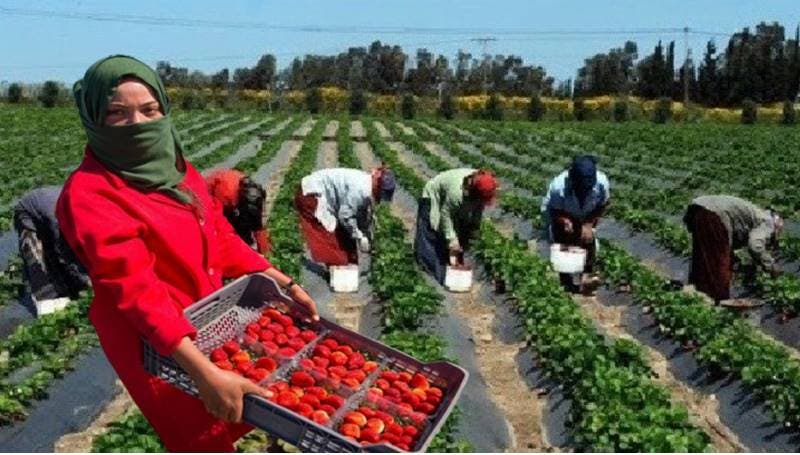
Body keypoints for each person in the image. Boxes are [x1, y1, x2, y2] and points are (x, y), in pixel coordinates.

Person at [56, 55, 318, 452]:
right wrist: (202, 371)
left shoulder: (177, 170)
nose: (138, 124)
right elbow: (136, 291)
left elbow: (220, 235)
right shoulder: (90, 194)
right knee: (200, 438)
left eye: (149, 110)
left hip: (209, 319)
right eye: (117, 113)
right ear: (93, 117)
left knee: (235, 415)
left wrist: (282, 281)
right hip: (158, 347)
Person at [683, 194, 783, 302]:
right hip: (714, 215)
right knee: (719, 265)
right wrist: (771, 266)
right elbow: (755, 246)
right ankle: (719, 302)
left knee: (702, 259)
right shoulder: (768, 223)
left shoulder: (755, 214)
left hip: (697, 209)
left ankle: (696, 296)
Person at [294, 166, 396, 267]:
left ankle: (345, 265)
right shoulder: (361, 190)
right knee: (330, 240)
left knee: (345, 238)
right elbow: (345, 216)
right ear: (377, 183)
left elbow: (359, 213)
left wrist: (364, 232)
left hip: (322, 194)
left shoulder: (367, 186)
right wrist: (360, 237)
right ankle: (338, 270)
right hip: (311, 195)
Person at [13, 186, 89, 314]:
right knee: (37, 257)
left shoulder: (82, 209)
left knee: (68, 252)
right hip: (27, 213)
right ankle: (46, 300)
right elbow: (64, 251)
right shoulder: (57, 217)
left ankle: (70, 286)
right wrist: (85, 279)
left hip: (47, 205)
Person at [414, 168, 498, 284]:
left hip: (450, 199)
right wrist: (452, 239)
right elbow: (446, 215)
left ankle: (451, 266)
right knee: (432, 232)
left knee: (458, 231)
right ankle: (429, 273)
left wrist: (474, 229)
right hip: (433, 196)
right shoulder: (457, 192)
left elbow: (477, 211)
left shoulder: (479, 186)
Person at [541, 155, 611, 293]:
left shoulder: (602, 183)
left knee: (588, 238)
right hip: (560, 212)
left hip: (586, 213)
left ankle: (587, 275)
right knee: (563, 238)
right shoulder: (558, 187)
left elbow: (605, 205)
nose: (584, 190)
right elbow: (554, 211)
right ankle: (566, 281)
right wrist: (566, 221)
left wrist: (589, 223)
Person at [206, 169, 271, 255]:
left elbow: (259, 226)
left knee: (246, 230)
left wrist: (265, 253)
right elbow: (219, 220)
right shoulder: (226, 195)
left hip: (233, 197)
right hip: (214, 197)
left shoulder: (256, 194)